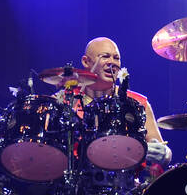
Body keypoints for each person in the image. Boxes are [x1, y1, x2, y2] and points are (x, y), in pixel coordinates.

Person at [72, 36, 171, 165]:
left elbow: (160, 150)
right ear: (86, 62)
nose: (112, 62)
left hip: (125, 182)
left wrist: (165, 153)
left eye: (116, 58)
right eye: (105, 56)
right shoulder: (67, 100)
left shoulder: (137, 103)